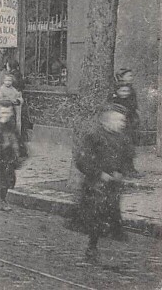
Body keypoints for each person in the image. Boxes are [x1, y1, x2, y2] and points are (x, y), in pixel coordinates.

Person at [69, 104, 134, 260]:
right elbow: (82, 159)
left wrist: (122, 171)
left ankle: (109, 246)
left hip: (113, 185)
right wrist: (98, 173)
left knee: (110, 215)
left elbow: (128, 158)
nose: (122, 124)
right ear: (106, 122)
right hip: (95, 184)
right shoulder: (93, 136)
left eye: (123, 121)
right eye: (118, 120)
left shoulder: (123, 138)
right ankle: (92, 246)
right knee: (95, 216)